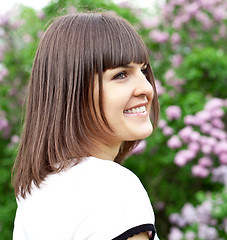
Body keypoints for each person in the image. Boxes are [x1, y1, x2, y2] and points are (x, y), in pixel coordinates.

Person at [12, 11, 160, 240]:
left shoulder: (35, 193)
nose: (147, 88)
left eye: (143, 71)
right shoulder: (112, 187)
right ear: (73, 93)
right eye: (121, 75)